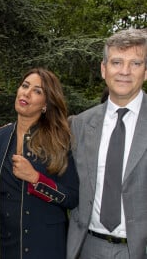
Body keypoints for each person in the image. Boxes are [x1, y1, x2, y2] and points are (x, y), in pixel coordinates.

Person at [67, 28, 147, 259]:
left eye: (135, 63)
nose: (124, 71)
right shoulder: (80, 124)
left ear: (145, 70)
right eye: (117, 62)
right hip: (88, 247)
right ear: (104, 69)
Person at [0, 67, 79, 259]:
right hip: (2, 245)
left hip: (44, 245)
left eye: (37, 91)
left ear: (45, 104)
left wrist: (36, 179)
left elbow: (73, 197)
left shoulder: (61, 142)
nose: (27, 93)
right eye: (25, 86)